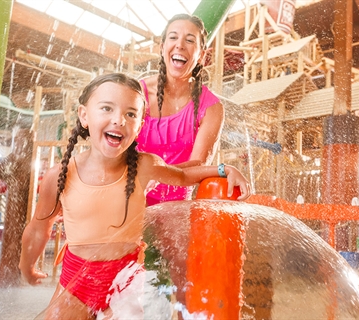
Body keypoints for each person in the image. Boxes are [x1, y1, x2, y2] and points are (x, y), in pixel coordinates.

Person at [18, 73, 250, 319]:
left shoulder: (143, 166)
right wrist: (27, 266)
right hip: (76, 283)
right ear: (84, 116)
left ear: (140, 126)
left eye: (131, 114)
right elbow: (38, 227)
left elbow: (182, 176)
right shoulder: (61, 175)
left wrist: (224, 170)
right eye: (107, 108)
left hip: (125, 283)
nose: (118, 120)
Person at [136, 13, 225, 206]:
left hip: (175, 209)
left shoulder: (211, 108)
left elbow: (198, 165)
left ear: (201, 56)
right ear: (162, 48)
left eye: (190, 40)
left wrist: (157, 173)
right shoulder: (137, 94)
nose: (180, 45)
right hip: (131, 196)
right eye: (173, 37)